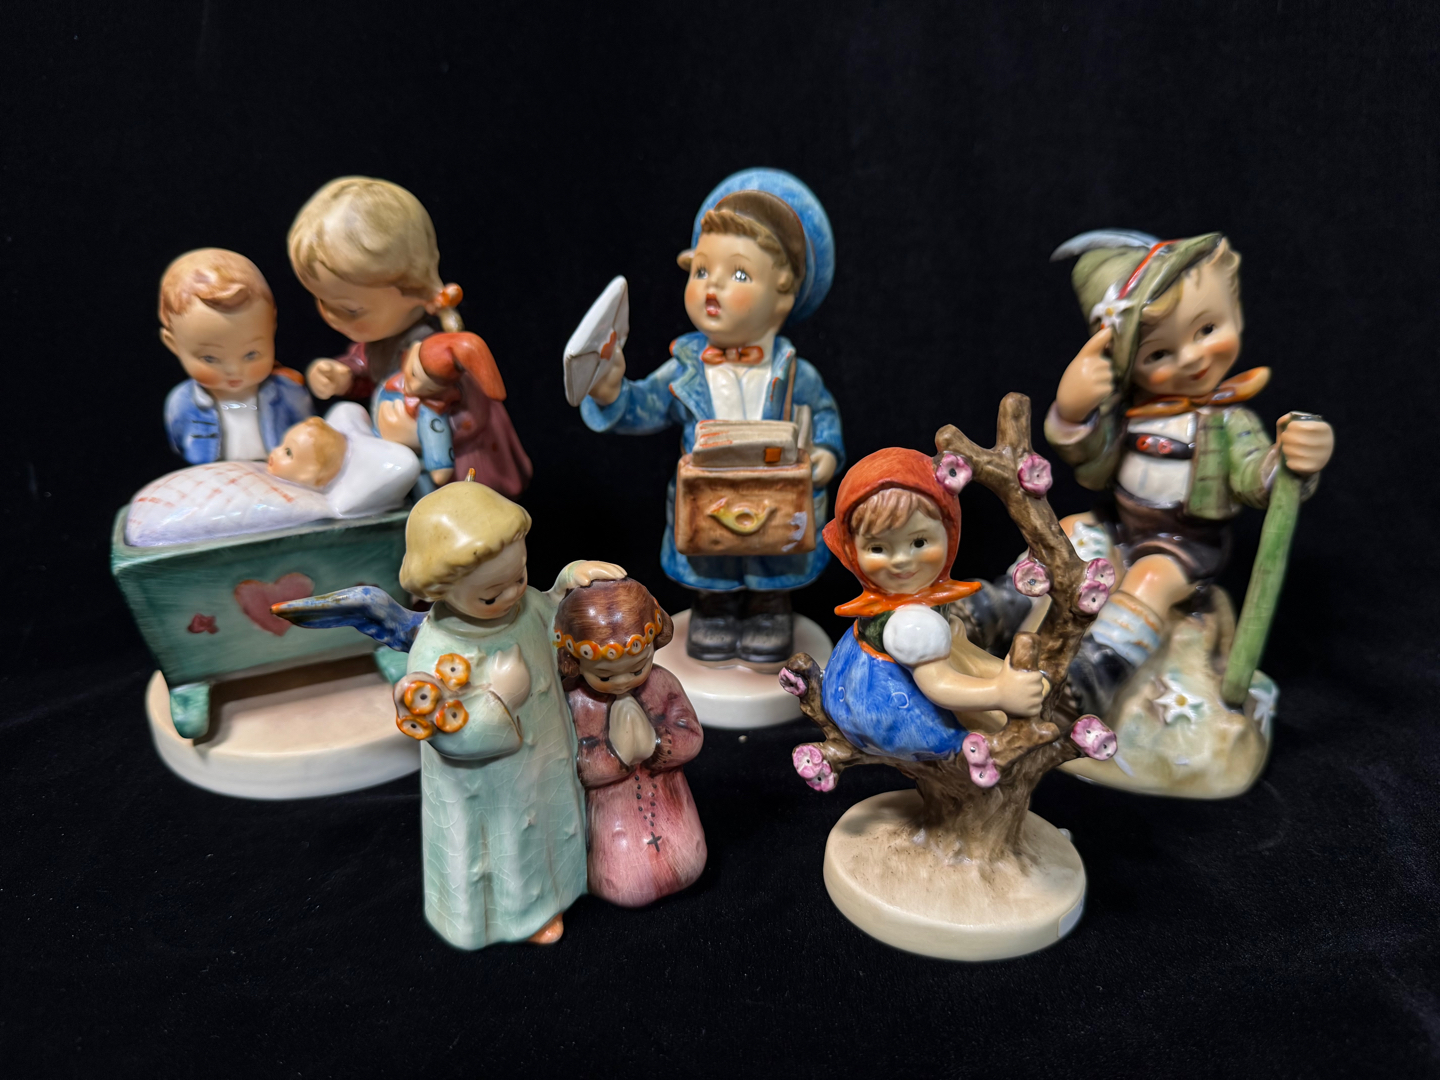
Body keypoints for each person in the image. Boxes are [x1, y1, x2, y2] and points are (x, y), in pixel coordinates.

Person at [1046, 232, 1335, 716]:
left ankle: (1097, 673)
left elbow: (1255, 478)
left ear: (1235, 309)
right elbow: (1091, 464)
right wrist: (1073, 412)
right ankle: (996, 610)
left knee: (1150, 578)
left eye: (1207, 329)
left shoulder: (1227, 423)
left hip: (1184, 546)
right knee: (1067, 534)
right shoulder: (1130, 415)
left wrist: (1292, 461)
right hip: (1121, 526)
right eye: (1158, 354)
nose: (1192, 356)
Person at [576, 169, 844, 664]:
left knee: (771, 562)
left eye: (738, 274)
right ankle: (714, 608)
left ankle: (769, 608)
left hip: (774, 503)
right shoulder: (685, 369)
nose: (711, 286)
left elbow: (823, 413)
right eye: (701, 271)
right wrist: (612, 390)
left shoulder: (795, 373)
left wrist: (826, 451)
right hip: (708, 503)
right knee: (711, 565)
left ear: (784, 292)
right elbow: (643, 407)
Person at [396, 479, 622, 949]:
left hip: (546, 763)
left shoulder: (525, 607)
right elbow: (444, 731)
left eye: (519, 576)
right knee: (504, 847)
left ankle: (562, 889)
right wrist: (500, 697)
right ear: (441, 589)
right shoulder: (436, 648)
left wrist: (571, 581)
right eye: (490, 594)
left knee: (550, 827)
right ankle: (520, 916)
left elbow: (554, 612)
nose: (513, 593)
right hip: (489, 787)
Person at [287, 176, 532, 496]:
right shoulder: (379, 343)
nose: (333, 317)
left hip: (462, 467)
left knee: (464, 504)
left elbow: (474, 413)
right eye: (322, 302)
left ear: (414, 291)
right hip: (405, 466)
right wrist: (344, 376)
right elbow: (368, 368)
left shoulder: (440, 356)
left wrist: (420, 428)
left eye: (350, 309)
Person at [820, 448, 1045, 761]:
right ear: (852, 552)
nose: (901, 561)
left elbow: (957, 652)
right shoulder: (910, 622)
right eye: (878, 548)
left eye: (919, 542)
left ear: (950, 534)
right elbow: (938, 685)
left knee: (960, 646)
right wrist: (1001, 693)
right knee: (991, 737)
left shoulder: (914, 605)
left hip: (855, 694)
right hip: (889, 714)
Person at [554, 579, 706, 907]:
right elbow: (566, 761)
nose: (623, 681)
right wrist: (616, 755)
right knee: (623, 879)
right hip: (613, 816)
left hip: (670, 800)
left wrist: (657, 744)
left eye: (637, 668)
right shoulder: (574, 702)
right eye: (605, 676)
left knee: (686, 859)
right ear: (575, 662)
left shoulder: (661, 682)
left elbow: (692, 734)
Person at [160, 248, 311, 463]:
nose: (234, 370)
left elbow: (307, 436)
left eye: (251, 354)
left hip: (277, 476)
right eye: (210, 358)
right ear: (173, 344)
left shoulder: (289, 394)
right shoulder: (182, 404)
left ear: (272, 329)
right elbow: (179, 443)